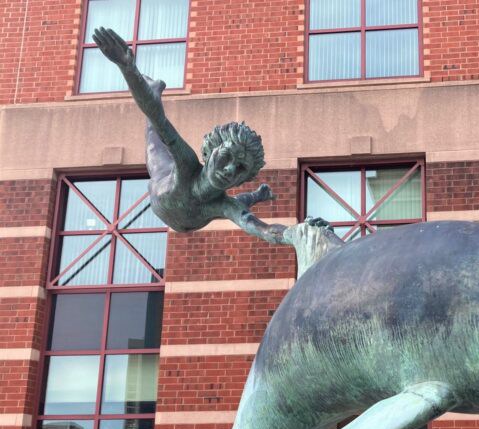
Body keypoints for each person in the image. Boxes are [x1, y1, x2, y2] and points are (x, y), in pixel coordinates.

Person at [91, 26, 338, 260]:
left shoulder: (223, 203)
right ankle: (153, 89)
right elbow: (158, 119)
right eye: (226, 157)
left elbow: (263, 229)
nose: (230, 169)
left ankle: (256, 193)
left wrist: (301, 233)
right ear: (209, 154)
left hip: (192, 214)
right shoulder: (187, 163)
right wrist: (127, 69)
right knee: (155, 136)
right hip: (163, 187)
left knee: (233, 204)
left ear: (240, 180)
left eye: (239, 169)